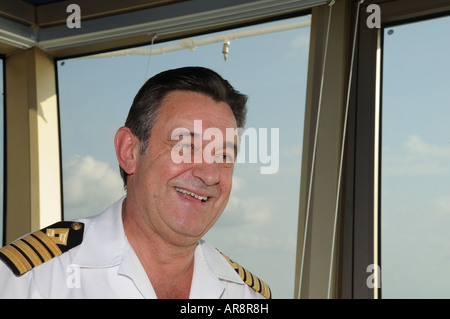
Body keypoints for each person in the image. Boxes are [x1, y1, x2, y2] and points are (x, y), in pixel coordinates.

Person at [0, 66, 271, 299]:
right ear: (129, 151)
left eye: (224, 155)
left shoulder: (245, 293)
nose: (210, 174)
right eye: (186, 146)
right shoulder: (30, 280)